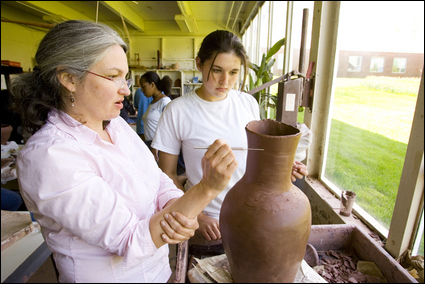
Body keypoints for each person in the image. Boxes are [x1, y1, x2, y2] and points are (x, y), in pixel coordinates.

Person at [10, 20, 238, 283]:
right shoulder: (50, 157)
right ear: (69, 78)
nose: (126, 89)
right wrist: (206, 188)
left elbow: (157, 178)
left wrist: (175, 205)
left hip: (158, 274)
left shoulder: (115, 124)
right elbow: (132, 241)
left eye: (125, 76)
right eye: (112, 76)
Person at [152, 30, 309, 242]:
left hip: (250, 212)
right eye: (217, 70)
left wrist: (281, 168)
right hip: (206, 221)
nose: (225, 81)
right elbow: (167, 174)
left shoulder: (247, 104)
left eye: (234, 72)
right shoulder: (177, 111)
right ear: (199, 64)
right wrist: (197, 216)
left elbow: (254, 158)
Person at [140, 71, 172, 159]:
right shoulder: (153, 103)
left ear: (152, 84)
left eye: (143, 87)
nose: (142, 90)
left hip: (159, 148)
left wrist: (157, 145)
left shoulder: (165, 102)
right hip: (150, 144)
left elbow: (170, 128)